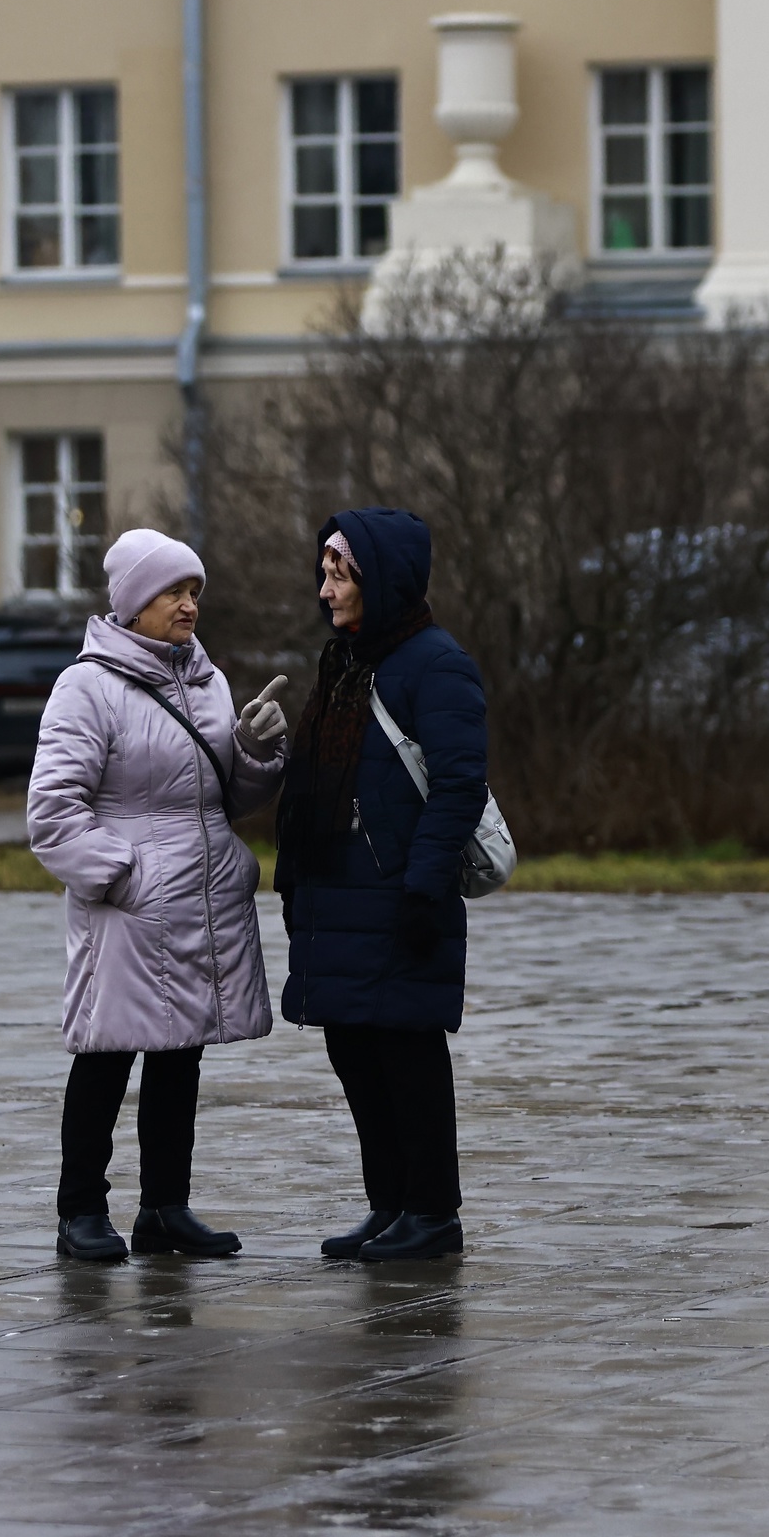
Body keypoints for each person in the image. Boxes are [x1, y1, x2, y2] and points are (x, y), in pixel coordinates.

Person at [28, 528, 290, 1262]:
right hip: (132, 909)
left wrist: (259, 751)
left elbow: (225, 797)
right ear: (135, 602)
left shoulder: (207, 680)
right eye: (175, 591)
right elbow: (52, 813)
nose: (189, 605)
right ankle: (80, 1210)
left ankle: (164, 1209)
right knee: (106, 1054)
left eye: (195, 591)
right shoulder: (88, 686)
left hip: (203, 900)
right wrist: (123, 876)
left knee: (181, 1056)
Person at [276, 508, 488, 1262]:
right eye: (324, 572)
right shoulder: (348, 662)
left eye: (341, 573)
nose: (327, 589)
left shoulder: (436, 664)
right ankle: (390, 1202)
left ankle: (434, 1211)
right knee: (355, 1051)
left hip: (399, 896)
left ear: (382, 577)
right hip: (339, 895)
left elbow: (461, 785)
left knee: (407, 1054)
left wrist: (425, 884)